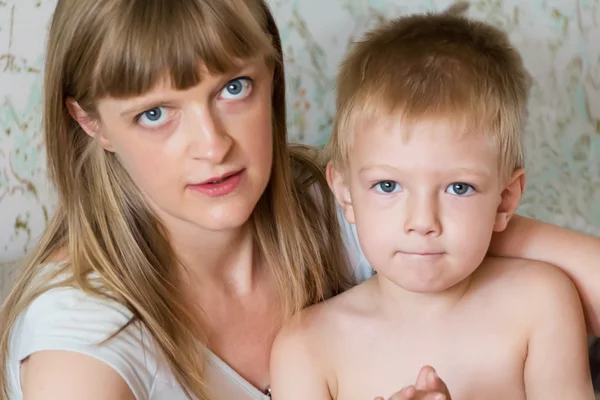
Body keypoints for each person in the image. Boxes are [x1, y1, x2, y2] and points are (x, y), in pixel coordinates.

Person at [1, 1, 600, 399]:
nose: (212, 146)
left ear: (272, 75)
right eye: (155, 114)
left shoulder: (340, 206)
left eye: (233, 88)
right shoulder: (79, 341)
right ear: (90, 122)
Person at [270, 12, 595, 400]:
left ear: (505, 199)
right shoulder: (307, 348)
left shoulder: (541, 304)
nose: (423, 222)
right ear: (344, 193)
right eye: (388, 185)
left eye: (458, 188)